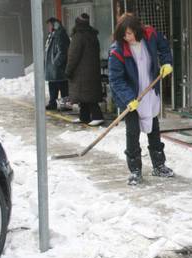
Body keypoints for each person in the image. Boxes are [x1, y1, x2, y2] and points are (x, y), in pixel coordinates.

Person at [108, 13, 174, 185]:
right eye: (124, 34)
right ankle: (135, 170)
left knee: (154, 128)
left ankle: (159, 165)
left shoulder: (150, 35)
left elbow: (164, 47)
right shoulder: (118, 51)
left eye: (129, 33)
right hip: (130, 96)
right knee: (132, 132)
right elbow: (116, 79)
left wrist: (167, 62)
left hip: (149, 90)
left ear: (137, 30)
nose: (126, 37)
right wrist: (129, 99)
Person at [65, 13, 104, 126]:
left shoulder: (78, 36)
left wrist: (68, 71)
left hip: (81, 72)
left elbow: (73, 56)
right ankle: (84, 116)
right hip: (91, 71)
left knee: (88, 97)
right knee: (85, 96)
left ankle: (97, 116)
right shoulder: (92, 35)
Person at [44, 17, 70, 110]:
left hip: (58, 68)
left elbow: (62, 51)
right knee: (53, 85)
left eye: (50, 25)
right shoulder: (51, 35)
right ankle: (52, 102)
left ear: (55, 25)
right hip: (52, 68)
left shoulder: (60, 35)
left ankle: (65, 104)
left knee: (62, 85)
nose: (48, 27)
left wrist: (56, 63)